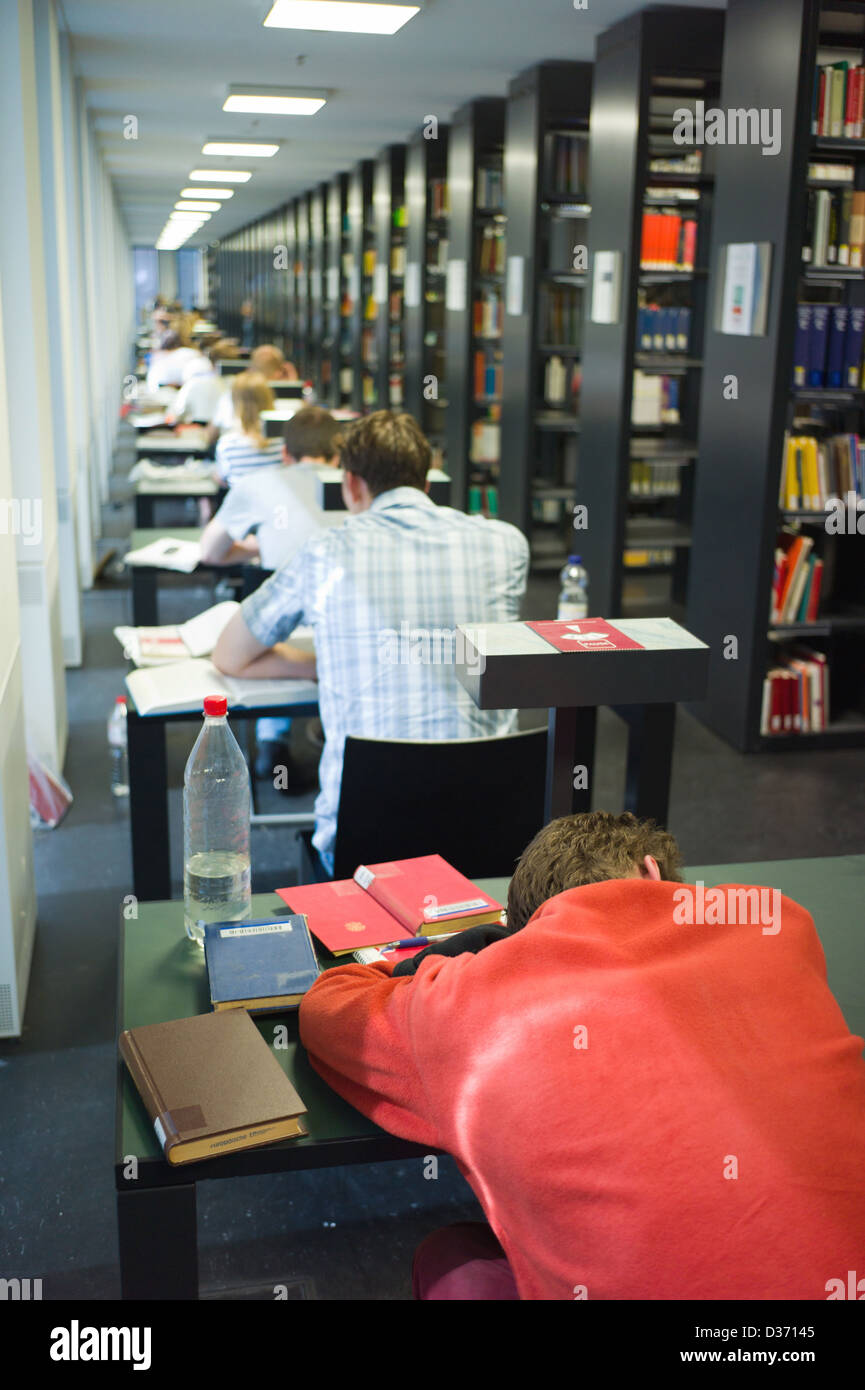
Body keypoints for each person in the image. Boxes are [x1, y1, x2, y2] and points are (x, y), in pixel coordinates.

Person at [295, 809, 865, 1300]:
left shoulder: (468, 1001)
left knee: (451, 1257)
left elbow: (328, 1006)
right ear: (652, 871)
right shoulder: (776, 923)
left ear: (522, 930)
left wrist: (446, 962)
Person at [212, 410, 530, 872]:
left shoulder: (326, 551)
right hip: (493, 845)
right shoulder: (506, 544)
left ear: (351, 485)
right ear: (425, 481)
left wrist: (315, 665)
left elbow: (230, 656)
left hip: (364, 856)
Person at [198, 406, 341, 568]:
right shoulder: (358, 491)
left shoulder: (254, 484)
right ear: (337, 456)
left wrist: (265, 542)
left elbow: (209, 552)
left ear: (285, 454)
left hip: (279, 588)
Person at [213, 372, 284, 487]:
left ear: (235, 403)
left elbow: (223, 479)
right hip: (277, 503)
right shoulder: (285, 441)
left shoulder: (227, 445)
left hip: (243, 503)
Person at [165, 341, 235, 427]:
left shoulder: (195, 382)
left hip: (198, 433)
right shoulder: (242, 386)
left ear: (209, 361)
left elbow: (174, 414)